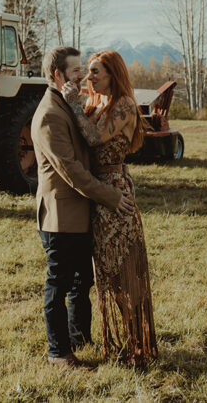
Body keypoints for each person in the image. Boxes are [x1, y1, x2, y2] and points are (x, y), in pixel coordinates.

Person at [32, 45, 136, 370]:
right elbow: (73, 172)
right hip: (61, 217)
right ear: (58, 75)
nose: (81, 75)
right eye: (76, 70)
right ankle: (58, 354)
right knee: (58, 285)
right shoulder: (50, 113)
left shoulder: (68, 104)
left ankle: (80, 338)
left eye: (83, 69)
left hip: (80, 215)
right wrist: (111, 195)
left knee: (81, 283)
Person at [61, 49, 158, 368]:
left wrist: (73, 103)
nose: (89, 77)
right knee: (103, 270)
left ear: (112, 74)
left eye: (94, 72)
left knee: (120, 272)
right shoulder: (96, 103)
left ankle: (137, 346)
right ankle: (123, 343)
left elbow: (91, 137)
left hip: (114, 195)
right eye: (87, 71)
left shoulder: (125, 105)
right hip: (96, 193)